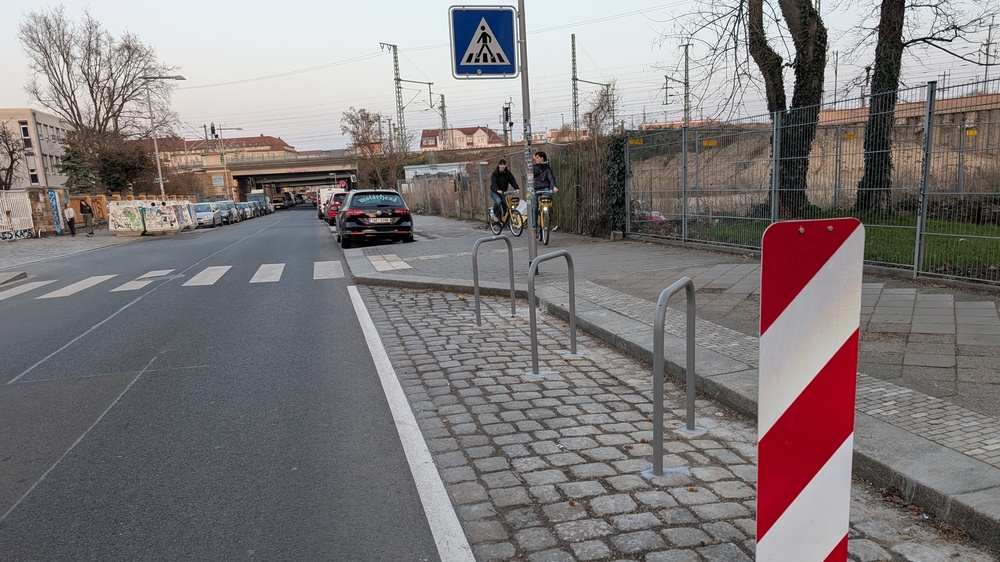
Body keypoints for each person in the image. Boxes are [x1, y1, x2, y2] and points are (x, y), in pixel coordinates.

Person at [531, 151, 558, 226]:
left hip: (544, 187)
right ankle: (535, 225)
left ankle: (549, 214)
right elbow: (529, 179)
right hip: (536, 189)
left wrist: (554, 187)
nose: (535, 159)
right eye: (535, 157)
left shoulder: (547, 168)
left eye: (537, 157)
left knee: (548, 195)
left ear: (542, 158)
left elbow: (551, 178)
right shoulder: (533, 168)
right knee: (535, 207)